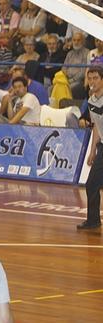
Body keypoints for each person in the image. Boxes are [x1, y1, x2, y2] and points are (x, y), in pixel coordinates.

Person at [79, 66, 103, 229]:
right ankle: (93, 221)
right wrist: (93, 150)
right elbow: (96, 127)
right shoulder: (91, 101)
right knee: (92, 184)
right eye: (90, 78)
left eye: (95, 78)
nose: (92, 81)